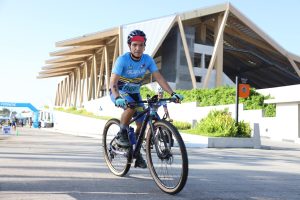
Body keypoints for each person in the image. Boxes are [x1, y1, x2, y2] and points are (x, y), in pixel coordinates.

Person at [109, 29, 183, 168]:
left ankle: (136, 153)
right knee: (130, 106)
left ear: (145, 46)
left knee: (141, 125)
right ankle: (122, 133)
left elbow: (159, 77)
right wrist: (118, 97)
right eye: (135, 45)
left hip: (135, 93)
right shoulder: (122, 60)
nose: (138, 48)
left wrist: (172, 94)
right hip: (119, 90)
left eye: (141, 45)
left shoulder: (147, 59)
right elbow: (113, 83)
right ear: (130, 45)